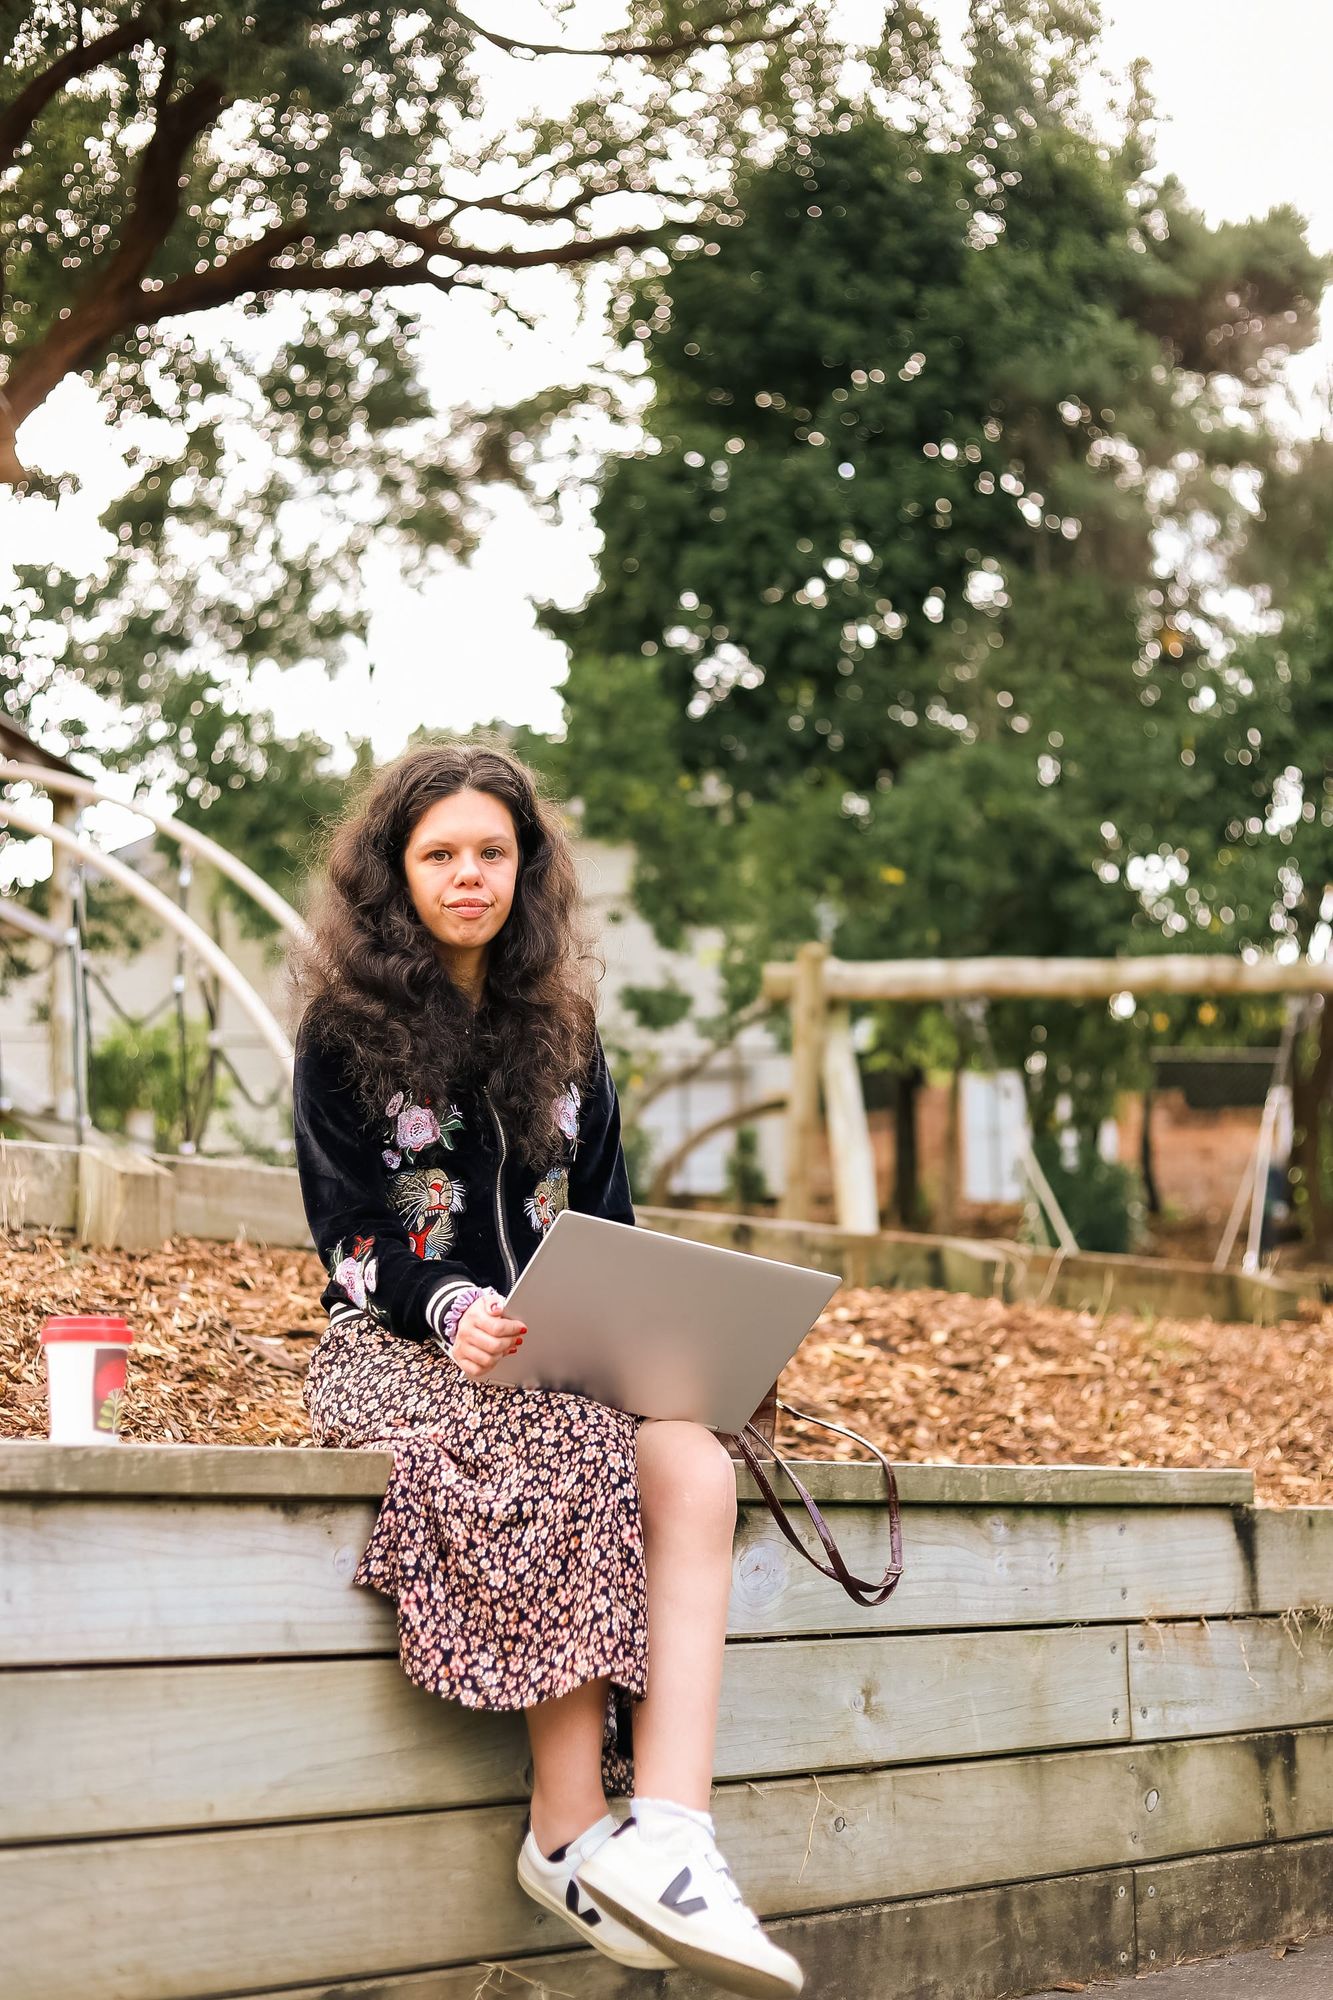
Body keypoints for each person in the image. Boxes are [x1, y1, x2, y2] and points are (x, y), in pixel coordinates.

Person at [291, 741, 803, 2000]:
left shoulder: (567, 1040)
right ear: (393, 873)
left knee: (686, 1457)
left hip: (560, 1364)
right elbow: (349, 1236)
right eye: (439, 854)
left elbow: (614, 1233)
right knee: (570, 1440)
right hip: (391, 1351)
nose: (469, 876)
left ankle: (673, 1832)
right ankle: (568, 1832)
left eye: (492, 853)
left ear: (526, 870)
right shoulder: (342, 1034)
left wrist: (700, 1354)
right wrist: (452, 1301)